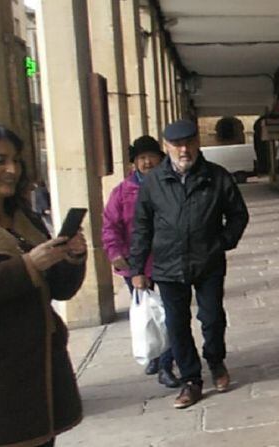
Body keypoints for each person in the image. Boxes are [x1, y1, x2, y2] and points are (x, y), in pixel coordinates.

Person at [0, 122, 88, 447]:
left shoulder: (23, 214)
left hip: (41, 367)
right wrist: (27, 266)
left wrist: (71, 258)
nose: (12, 169)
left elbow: (59, 290)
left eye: (16, 160)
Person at [129, 119, 249, 409]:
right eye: (177, 145)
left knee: (211, 317)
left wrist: (222, 242)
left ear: (197, 143)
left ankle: (216, 360)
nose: (184, 150)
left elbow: (238, 215)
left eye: (189, 143)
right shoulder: (154, 182)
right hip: (168, 266)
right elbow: (142, 226)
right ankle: (191, 380)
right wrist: (136, 269)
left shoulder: (217, 176)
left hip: (208, 262)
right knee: (177, 324)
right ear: (167, 146)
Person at [101, 135, 178, 388]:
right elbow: (110, 226)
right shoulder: (122, 192)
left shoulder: (171, 185)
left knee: (169, 314)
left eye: (151, 157)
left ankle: (166, 364)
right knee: (148, 313)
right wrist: (115, 253)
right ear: (134, 163)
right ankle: (155, 353)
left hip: (168, 261)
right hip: (136, 265)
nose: (147, 162)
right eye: (141, 158)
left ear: (160, 159)